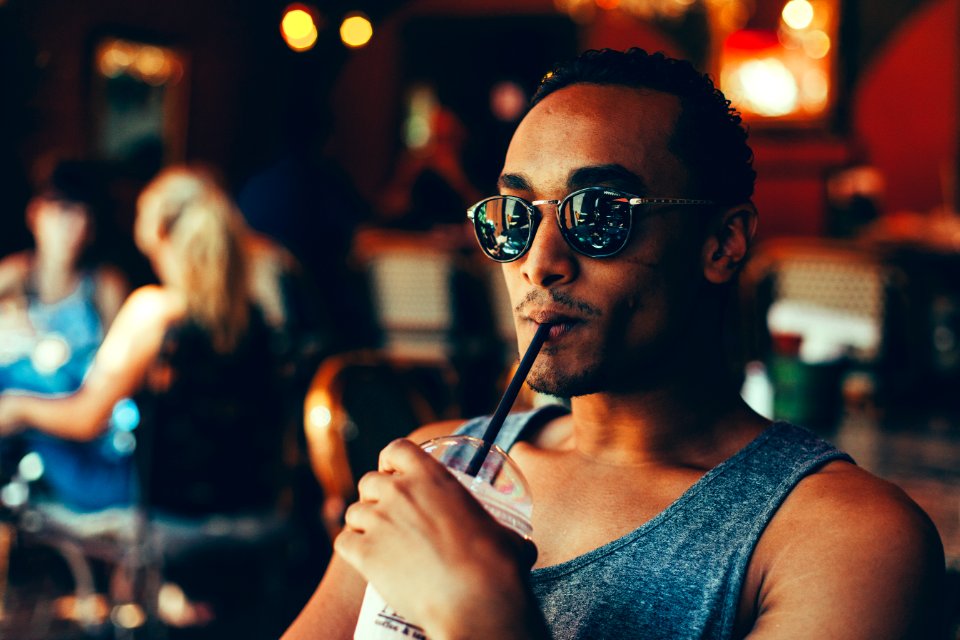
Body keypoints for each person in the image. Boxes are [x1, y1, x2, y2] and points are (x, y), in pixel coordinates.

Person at [283, 48, 945, 639]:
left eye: (597, 214)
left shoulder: (841, 538)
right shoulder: (445, 467)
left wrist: (485, 619)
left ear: (722, 243)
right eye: (516, 217)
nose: (539, 262)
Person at [0, 165, 280, 518]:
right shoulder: (247, 315)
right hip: (231, 489)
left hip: (143, 488)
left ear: (158, 231)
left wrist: (17, 408)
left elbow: (87, 419)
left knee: (18, 377)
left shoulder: (154, 310)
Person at [0, 159, 131, 511]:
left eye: (82, 214)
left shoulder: (103, 287)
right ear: (36, 214)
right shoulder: (12, 276)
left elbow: (117, 388)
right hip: (22, 440)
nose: (72, 225)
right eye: (62, 211)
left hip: (80, 429)